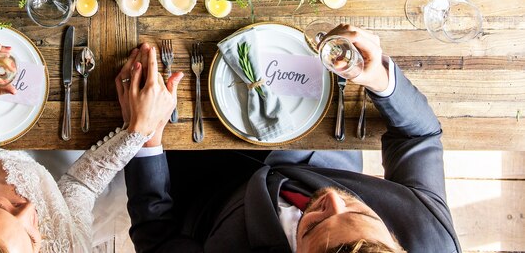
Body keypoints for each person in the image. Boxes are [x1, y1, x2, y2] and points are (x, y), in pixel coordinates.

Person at [123, 25, 462, 253]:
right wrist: (380, 81)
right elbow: (419, 135)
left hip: (204, 186)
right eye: (364, 213)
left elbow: (156, 236)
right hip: (311, 138)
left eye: (315, 225)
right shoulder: (431, 238)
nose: (332, 198)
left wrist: (144, 138)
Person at [0, 42, 182, 253]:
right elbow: (80, 186)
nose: (31, 206)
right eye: (32, 238)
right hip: (56, 163)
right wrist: (137, 131)